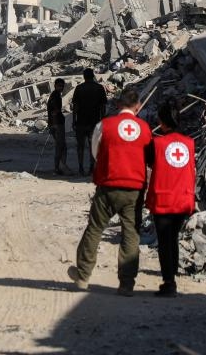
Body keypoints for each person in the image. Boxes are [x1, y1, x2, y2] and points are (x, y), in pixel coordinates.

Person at [68, 84, 152, 295]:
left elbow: (96, 152)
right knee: (131, 234)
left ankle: (83, 276)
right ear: (138, 106)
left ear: (118, 104)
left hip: (107, 185)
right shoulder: (144, 128)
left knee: (95, 228)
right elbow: (148, 157)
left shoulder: (104, 125)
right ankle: (126, 283)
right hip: (134, 189)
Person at [146, 98, 196, 298]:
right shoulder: (190, 144)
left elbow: (150, 163)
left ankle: (169, 282)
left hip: (164, 199)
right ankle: (171, 276)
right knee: (172, 239)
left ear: (161, 121)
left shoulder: (156, 144)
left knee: (165, 242)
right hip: (184, 200)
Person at [71, 68, 108, 176]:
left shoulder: (79, 88)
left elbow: (75, 107)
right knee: (93, 145)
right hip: (94, 122)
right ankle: (92, 167)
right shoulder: (99, 88)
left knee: (80, 146)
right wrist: (103, 120)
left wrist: (74, 121)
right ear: (93, 76)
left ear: (84, 76)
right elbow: (103, 107)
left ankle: (81, 168)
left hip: (81, 122)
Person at [47, 78, 69, 175]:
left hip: (56, 123)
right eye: (59, 86)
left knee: (61, 146)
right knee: (61, 146)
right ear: (55, 86)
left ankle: (61, 166)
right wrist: (54, 125)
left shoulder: (55, 95)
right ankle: (59, 168)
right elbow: (54, 112)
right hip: (57, 124)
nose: (61, 88)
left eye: (62, 86)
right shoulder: (55, 96)